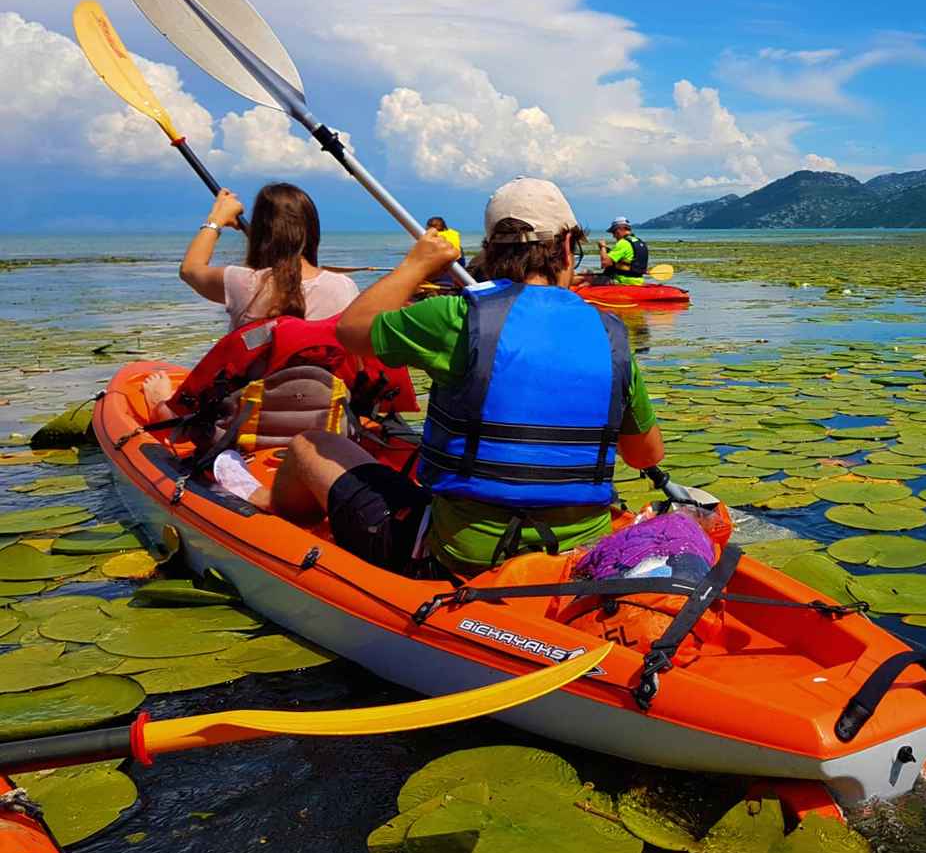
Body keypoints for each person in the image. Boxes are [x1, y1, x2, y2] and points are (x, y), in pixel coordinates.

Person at [252, 177, 665, 575]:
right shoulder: (610, 334)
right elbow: (645, 456)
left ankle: (269, 517)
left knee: (310, 444)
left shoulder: (456, 316)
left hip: (458, 557)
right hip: (577, 555)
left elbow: (351, 329)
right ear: (569, 246)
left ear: (489, 250)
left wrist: (416, 265)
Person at [178, 184, 359, 331]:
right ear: (313, 232)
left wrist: (216, 219)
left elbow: (190, 269)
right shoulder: (343, 287)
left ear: (259, 233)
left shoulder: (243, 282)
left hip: (259, 377)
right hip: (320, 376)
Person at [590, 216, 648, 286]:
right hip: (639, 281)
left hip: (622, 281)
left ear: (618, 230)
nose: (613, 236)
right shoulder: (640, 242)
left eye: (613, 232)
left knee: (585, 279)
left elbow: (605, 263)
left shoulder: (623, 243)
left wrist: (602, 247)